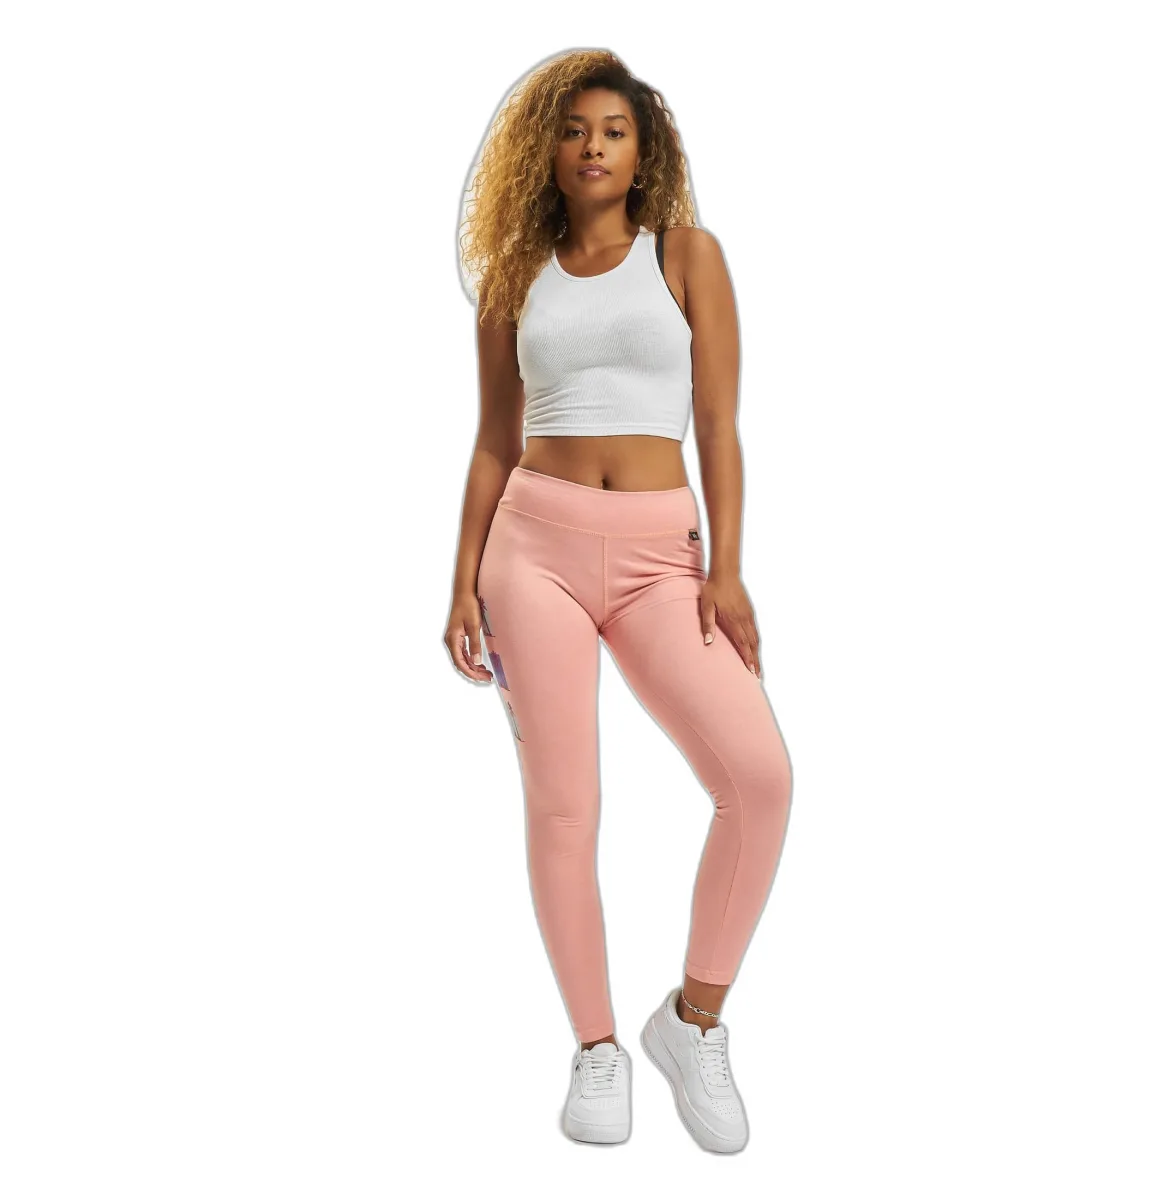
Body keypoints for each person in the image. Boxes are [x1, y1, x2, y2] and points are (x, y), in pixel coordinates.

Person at [445, 50, 793, 1153]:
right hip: (531, 552)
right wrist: (461, 579)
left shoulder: (686, 256)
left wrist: (726, 570)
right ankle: (596, 1049)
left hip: (659, 557)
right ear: (545, 150)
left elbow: (720, 424)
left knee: (759, 778)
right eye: (574, 129)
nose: (593, 145)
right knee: (565, 808)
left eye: (614, 130)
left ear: (645, 152)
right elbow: (494, 440)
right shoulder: (515, 275)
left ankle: (692, 1022)